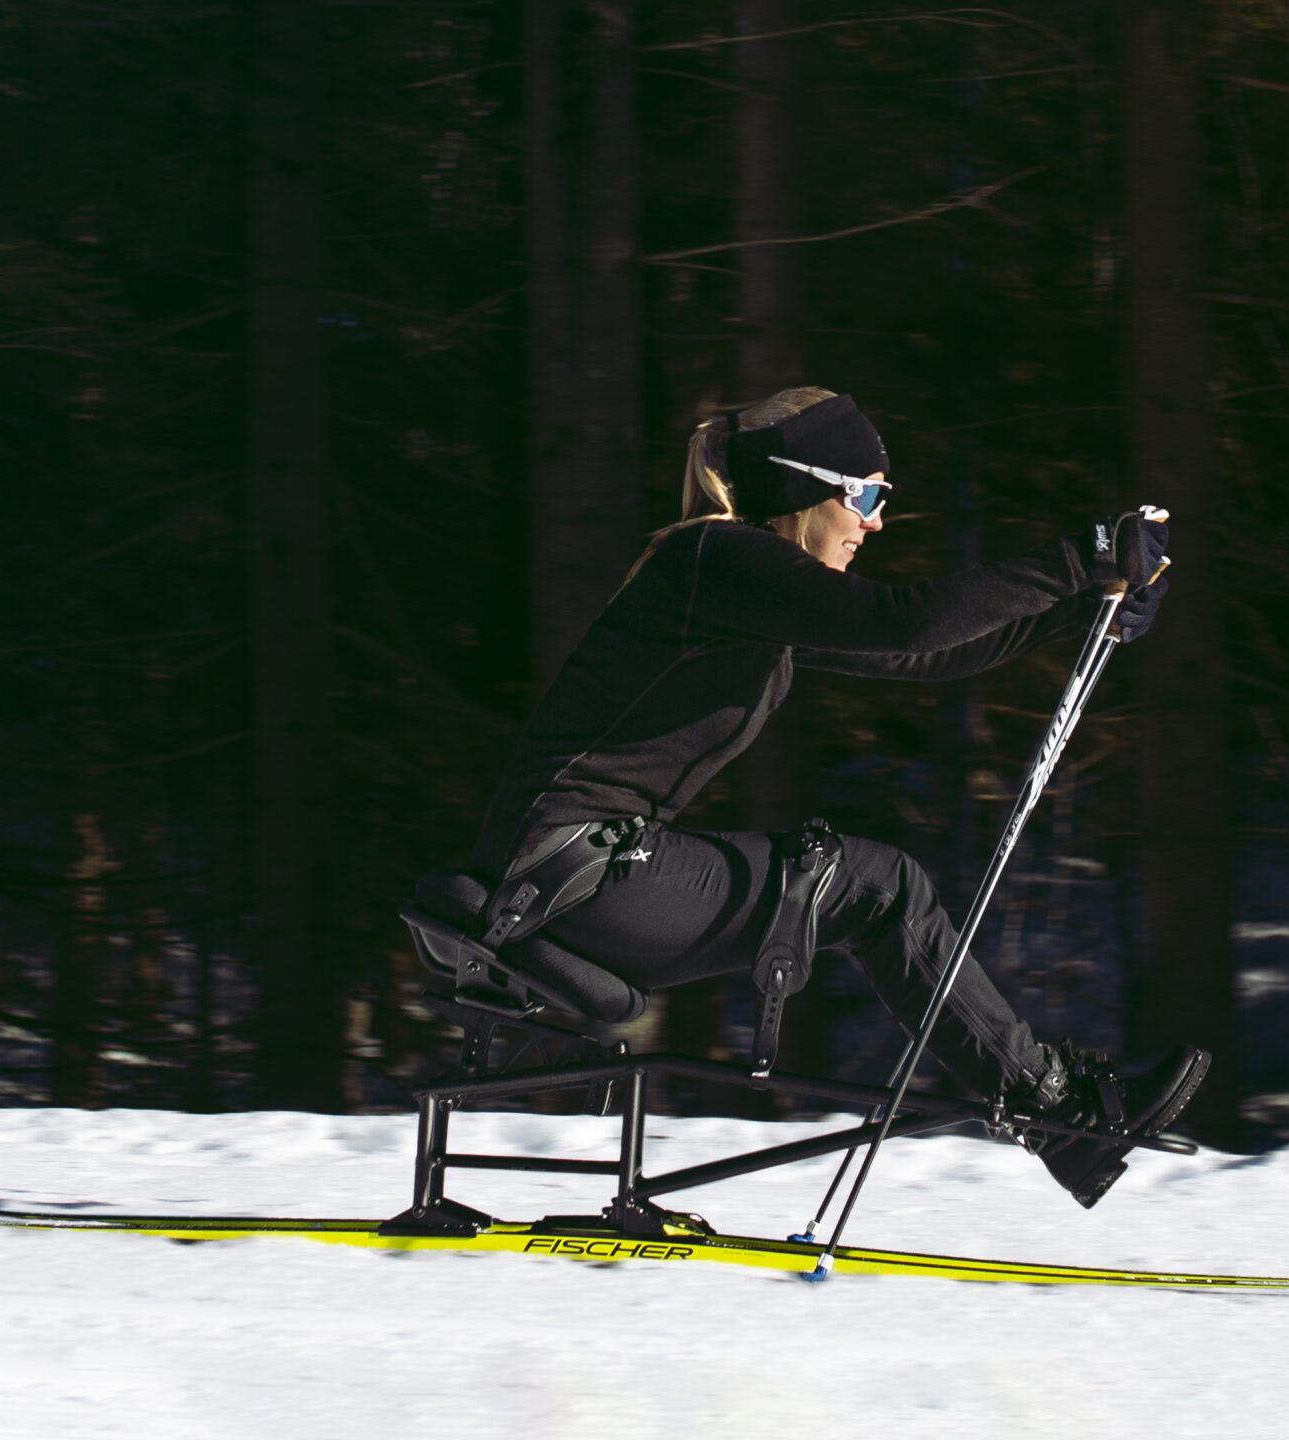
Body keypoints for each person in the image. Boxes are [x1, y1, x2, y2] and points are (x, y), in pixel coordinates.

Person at [467, 386, 1207, 1208]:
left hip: (575, 874)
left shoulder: (742, 587)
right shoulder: (715, 560)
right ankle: (1058, 1113)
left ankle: (1058, 1116)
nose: (876, 521)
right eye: (865, 494)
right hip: (570, 875)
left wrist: (1081, 611)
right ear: (797, 487)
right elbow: (907, 622)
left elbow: (922, 659)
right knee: (876, 887)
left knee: (876, 889)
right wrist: (1087, 556)